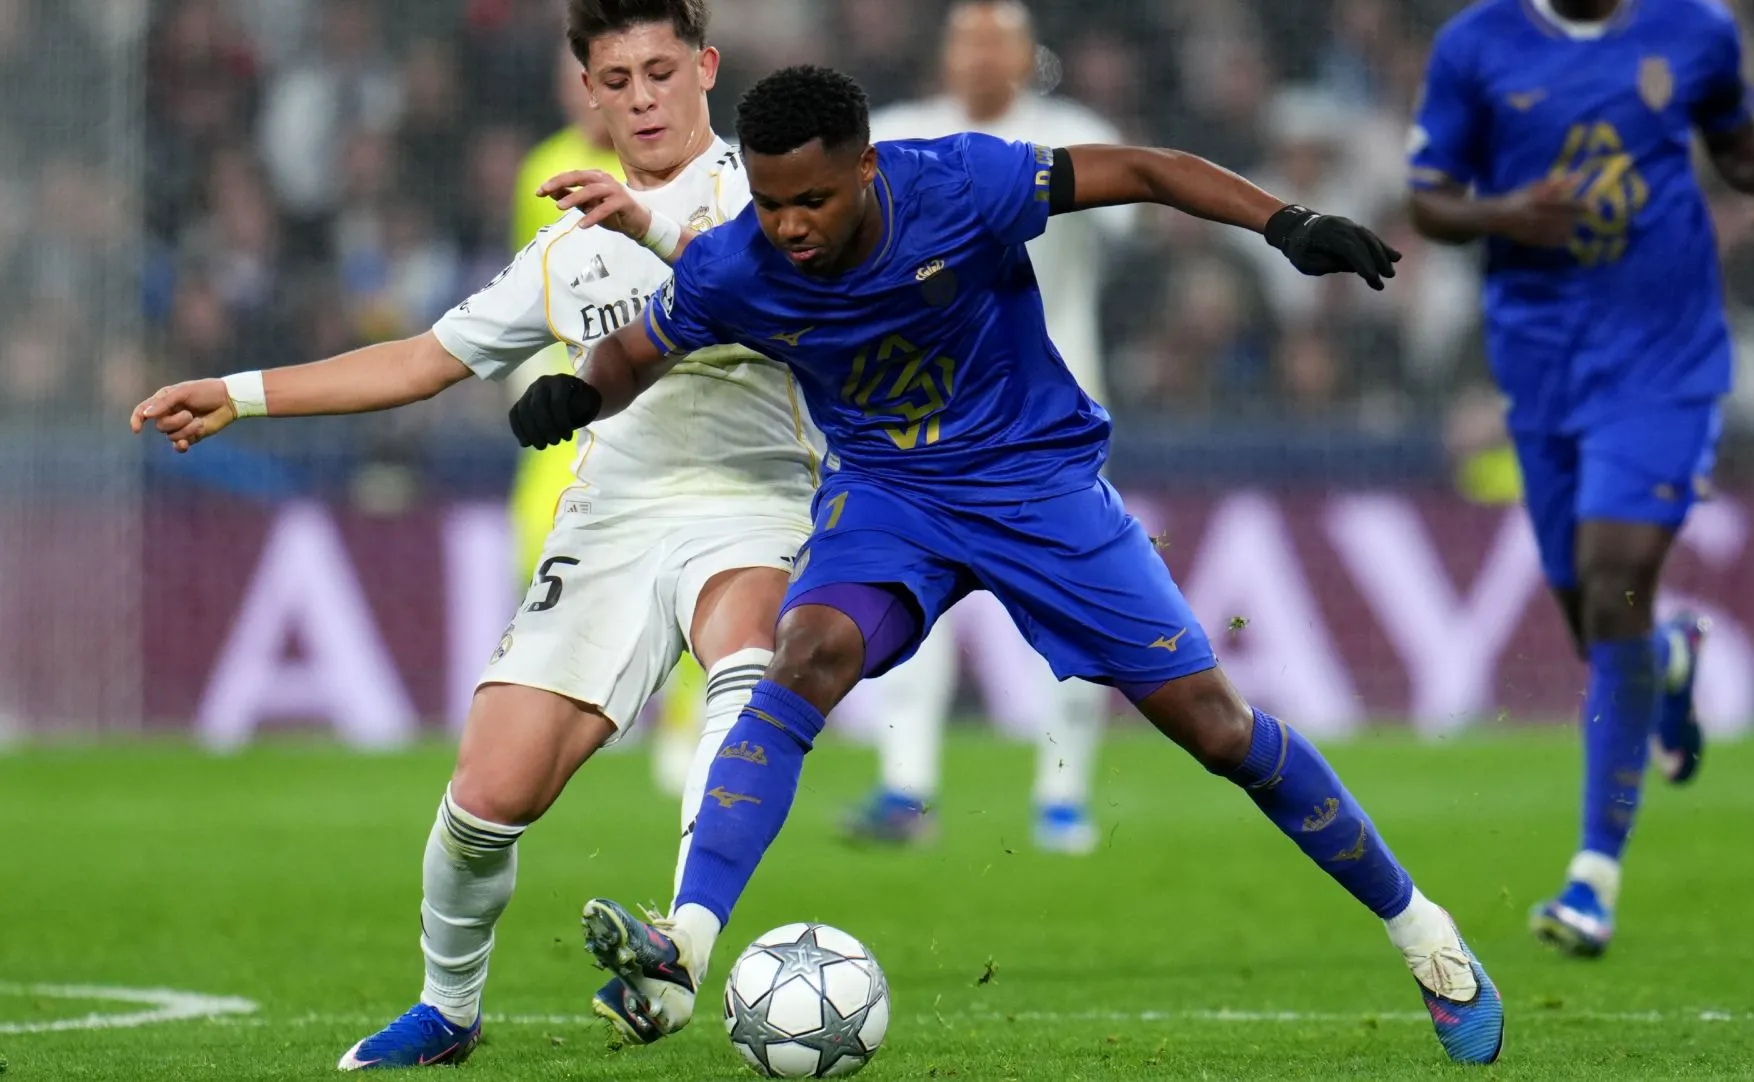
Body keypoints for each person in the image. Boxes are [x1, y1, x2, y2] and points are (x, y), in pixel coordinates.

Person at [513, 64, 1506, 1065]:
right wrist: (577, 394)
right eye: (770, 204)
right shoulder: (737, 266)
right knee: (803, 651)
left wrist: (1283, 221)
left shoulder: (957, 184)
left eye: (813, 199)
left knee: (1217, 727)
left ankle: (1425, 933)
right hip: (891, 496)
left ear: (866, 167)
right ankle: (684, 940)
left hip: (1037, 484)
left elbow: (1148, 171)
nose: (790, 226)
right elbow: (638, 349)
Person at [131, 0, 823, 1068]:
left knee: (748, 651)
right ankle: (448, 1007)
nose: (640, 98)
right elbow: (421, 359)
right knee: (487, 795)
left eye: (658, 71)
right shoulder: (568, 253)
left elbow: (783, 289)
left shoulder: (770, 193)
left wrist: (655, 227)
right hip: (611, 520)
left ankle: (681, 942)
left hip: (759, 497)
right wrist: (239, 390)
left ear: (706, 69)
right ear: (588, 94)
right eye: (616, 79)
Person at [1405, 0, 1754, 957]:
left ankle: (1594, 876)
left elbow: (1739, 141)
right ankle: (1668, 656)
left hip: (1666, 359)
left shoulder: (1695, 32)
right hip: (1541, 361)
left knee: (1614, 571)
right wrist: (1509, 213)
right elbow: (1429, 199)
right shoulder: (1477, 44)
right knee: (1594, 613)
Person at [848, 0, 1130, 854]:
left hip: (1050, 424)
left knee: (1083, 610)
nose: (978, 58)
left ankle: (1064, 796)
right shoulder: (893, 135)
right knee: (906, 601)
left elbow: (1129, 224)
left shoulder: (1073, 134)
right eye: (965, 42)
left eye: (995, 42)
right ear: (943, 56)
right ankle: (905, 790)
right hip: (922, 426)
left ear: (1026, 55)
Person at [510, 39, 710, 799]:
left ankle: (684, 719)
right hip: (576, 391)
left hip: (665, 383)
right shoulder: (542, 167)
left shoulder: (685, 174)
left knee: (695, 560)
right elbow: (528, 284)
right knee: (537, 545)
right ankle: (598, 699)